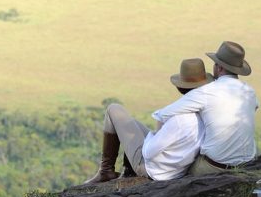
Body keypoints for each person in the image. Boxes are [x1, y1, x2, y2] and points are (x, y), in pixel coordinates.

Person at [83, 58, 212, 183]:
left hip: (152, 170)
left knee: (114, 109)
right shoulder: (205, 113)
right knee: (131, 123)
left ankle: (106, 171)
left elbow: (148, 153)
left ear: (181, 86)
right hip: (174, 169)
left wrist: (156, 132)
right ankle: (125, 171)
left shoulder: (179, 119)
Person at [154, 40, 259, 175]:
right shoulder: (249, 91)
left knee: (178, 170)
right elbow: (254, 108)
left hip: (214, 167)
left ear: (219, 67)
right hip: (247, 165)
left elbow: (162, 115)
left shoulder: (207, 91)